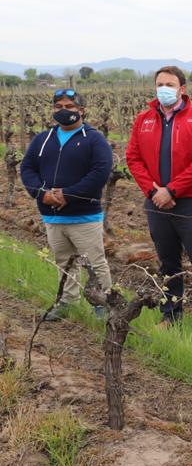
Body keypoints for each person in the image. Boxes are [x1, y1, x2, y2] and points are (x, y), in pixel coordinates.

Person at [125, 65, 192, 332]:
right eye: (159, 84)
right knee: (167, 260)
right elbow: (133, 157)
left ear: (182, 89)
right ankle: (171, 314)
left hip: (190, 199)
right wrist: (153, 191)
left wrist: (173, 189)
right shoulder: (144, 119)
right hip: (155, 200)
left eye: (169, 84)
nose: (163, 89)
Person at [20, 89, 113, 319]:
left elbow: (100, 172)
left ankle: (103, 304)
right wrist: (42, 194)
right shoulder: (43, 139)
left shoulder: (94, 139)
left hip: (84, 216)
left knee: (94, 262)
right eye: (58, 106)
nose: (63, 111)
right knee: (64, 262)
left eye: (69, 106)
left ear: (81, 110)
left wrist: (67, 195)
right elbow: (27, 168)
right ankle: (67, 302)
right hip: (52, 217)